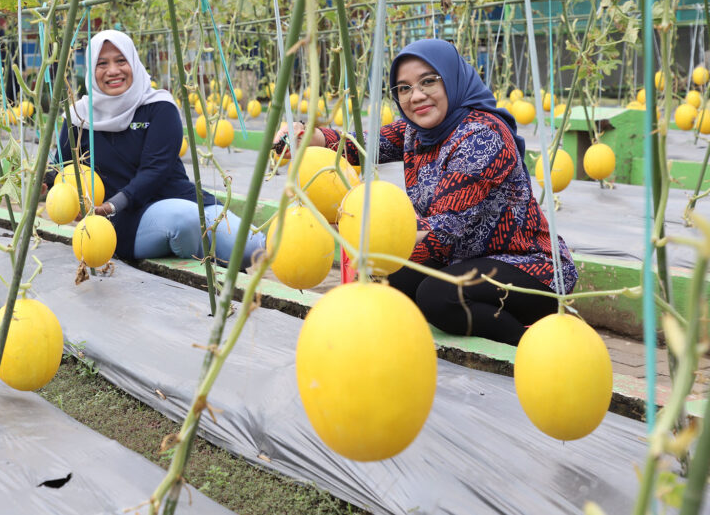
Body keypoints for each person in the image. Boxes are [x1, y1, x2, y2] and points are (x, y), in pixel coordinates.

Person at [277, 38, 576, 345]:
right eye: (404, 88)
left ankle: (534, 344)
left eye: (428, 81)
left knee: (438, 297)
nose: (416, 96)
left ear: (451, 80)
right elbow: (359, 147)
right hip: (466, 257)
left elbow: (445, 227)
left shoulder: (483, 136)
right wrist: (308, 136)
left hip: (530, 268)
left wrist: (363, 230)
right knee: (390, 281)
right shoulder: (415, 132)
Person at [48, 29, 264, 268]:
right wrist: (47, 186)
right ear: (91, 69)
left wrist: (112, 203)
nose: (113, 70)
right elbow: (62, 168)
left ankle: (208, 255)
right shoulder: (79, 117)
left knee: (253, 248)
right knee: (183, 221)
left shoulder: (159, 107)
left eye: (121, 61)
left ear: (134, 62)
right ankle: (204, 268)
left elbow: (155, 170)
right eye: (102, 63)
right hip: (123, 220)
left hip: (176, 199)